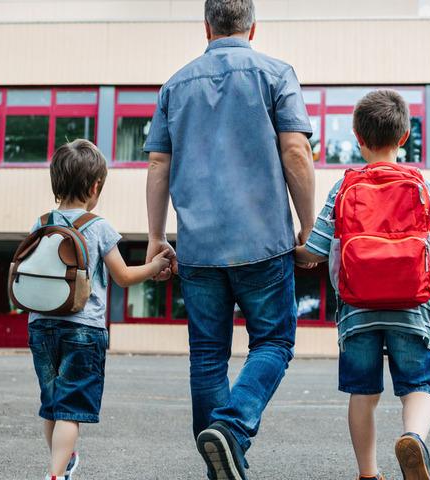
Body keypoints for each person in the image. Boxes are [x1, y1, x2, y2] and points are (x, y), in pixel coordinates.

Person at [142, 0, 316, 478]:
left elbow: (158, 164)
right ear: (253, 28)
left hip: (198, 248)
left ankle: (220, 464)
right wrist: (308, 227)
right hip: (264, 242)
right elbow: (296, 151)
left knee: (207, 355)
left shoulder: (175, 85)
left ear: (207, 26)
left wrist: (157, 236)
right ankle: (233, 431)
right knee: (275, 341)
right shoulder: (276, 74)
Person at [295, 90, 430, 480]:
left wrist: (287, 249)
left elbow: (313, 252)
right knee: (418, 386)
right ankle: (413, 437)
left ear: (357, 136)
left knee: (363, 394)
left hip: (357, 310)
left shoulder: (343, 188)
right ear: (404, 137)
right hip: (413, 307)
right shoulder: (423, 187)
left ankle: (368, 473)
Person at [27, 140, 174, 480]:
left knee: (52, 405)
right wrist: (154, 267)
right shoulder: (98, 227)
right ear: (95, 187)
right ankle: (55, 474)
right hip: (84, 330)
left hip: (40, 326)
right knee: (71, 409)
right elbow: (122, 276)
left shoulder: (41, 223)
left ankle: (61, 465)